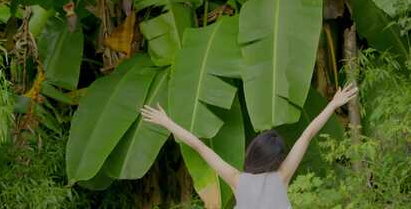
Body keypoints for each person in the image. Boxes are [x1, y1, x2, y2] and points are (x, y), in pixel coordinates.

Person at [140, 84, 358, 208]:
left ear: (253, 153)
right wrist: (332, 103)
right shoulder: (282, 176)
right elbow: (307, 134)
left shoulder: (236, 179)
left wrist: (167, 122)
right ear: (277, 159)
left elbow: (199, 146)